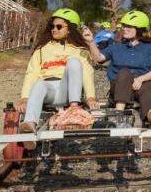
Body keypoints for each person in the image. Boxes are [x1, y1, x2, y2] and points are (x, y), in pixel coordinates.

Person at [19, 8, 99, 147]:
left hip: (67, 90)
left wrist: (90, 96)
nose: (54, 30)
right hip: (48, 89)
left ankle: (74, 110)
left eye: (59, 26)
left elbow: (87, 73)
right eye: (52, 26)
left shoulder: (80, 50)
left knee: (74, 62)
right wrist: (25, 98)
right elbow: (31, 73)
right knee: (39, 83)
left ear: (70, 29)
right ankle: (30, 126)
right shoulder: (41, 50)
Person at [83, 9, 151, 126]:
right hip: (121, 86)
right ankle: (118, 112)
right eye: (124, 26)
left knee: (147, 89)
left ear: (139, 30)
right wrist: (91, 42)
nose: (124, 28)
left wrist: (141, 79)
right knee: (124, 72)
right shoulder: (117, 47)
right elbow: (99, 58)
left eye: (129, 27)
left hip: (143, 83)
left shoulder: (149, 49)